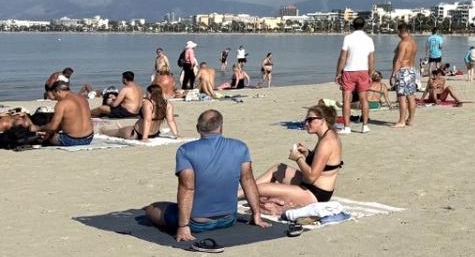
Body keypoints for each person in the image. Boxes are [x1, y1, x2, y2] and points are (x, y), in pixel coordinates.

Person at [144, 110, 268, 242]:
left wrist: (183, 226)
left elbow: (187, 188)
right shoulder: (240, 147)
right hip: (229, 219)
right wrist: (257, 214)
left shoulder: (186, 151)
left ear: (198, 128)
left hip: (197, 223)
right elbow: (248, 180)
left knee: (152, 208)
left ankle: (159, 212)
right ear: (221, 127)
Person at [251, 104, 342, 212]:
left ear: (323, 120)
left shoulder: (327, 142)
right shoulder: (327, 135)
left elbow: (311, 177)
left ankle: (234, 196)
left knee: (260, 189)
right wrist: (307, 153)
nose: (306, 123)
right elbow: (324, 164)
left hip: (315, 193)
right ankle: (242, 191)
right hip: (312, 187)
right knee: (278, 168)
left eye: (310, 120)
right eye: (306, 120)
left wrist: (298, 158)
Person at [336, 16, 375, 134]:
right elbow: (371, 58)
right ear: (364, 26)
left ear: (353, 25)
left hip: (349, 71)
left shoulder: (348, 38)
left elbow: (343, 56)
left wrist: (338, 72)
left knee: (346, 100)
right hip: (363, 71)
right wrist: (371, 73)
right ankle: (365, 125)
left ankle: (347, 127)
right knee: (364, 100)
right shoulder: (368, 39)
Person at [102, 84, 180, 141]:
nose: (146, 95)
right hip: (154, 134)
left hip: (136, 133)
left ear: (151, 94)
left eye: (147, 93)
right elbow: (170, 121)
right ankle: (121, 128)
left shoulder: (147, 103)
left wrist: (144, 138)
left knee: (111, 132)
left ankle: (103, 130)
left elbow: (147, 120)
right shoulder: (167, 104)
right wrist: (176, 135)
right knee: (121, 130)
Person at [39, 81, 94, 146]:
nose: (55, 98)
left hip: (72, 140)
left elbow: (52, 127)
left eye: (54, 95)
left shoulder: (61, 104)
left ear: (58, 91)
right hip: (89, 138)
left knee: (45, 136)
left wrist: (39, 128)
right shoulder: (82, 98)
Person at [391, 23, 420, 128]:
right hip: (411, 70)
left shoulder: (403, 43)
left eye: (397, 31)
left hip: (403, 71)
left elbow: (399, 60)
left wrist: (393, 74)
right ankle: (410, 120)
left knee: (402, 97)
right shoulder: (413, 42)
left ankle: (402, 121)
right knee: (411, 96)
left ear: (400, 31)